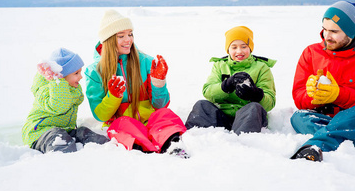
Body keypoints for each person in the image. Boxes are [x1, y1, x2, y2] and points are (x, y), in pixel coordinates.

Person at [290, 1, 355, 162]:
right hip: (325, 118)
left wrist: (339, 95)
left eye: (334, 31)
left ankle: (315, 146)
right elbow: (299, 99)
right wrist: (312, 95)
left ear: (350, 32)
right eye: (325, 29)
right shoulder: (311, 53)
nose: (326, 36)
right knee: (298, 117)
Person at [85, 9, 187, 156]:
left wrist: (158, 82)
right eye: (121, 36)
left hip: (151, 121)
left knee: (164, 114)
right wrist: (113, 97)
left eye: (130, 34)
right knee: (123, 123)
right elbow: (100, 115)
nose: (128, 40)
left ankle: (172, 145)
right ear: (108, 40)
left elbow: (160, 105)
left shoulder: (147, 62)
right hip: (125, 125)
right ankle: (145, 150)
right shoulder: (95, 71)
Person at [185, 26, 276, 134]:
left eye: (244, 46)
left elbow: (270, 103)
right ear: (228, 49)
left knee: (254, 107)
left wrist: (255, 94)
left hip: (248, 119)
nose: (239, 51)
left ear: (250, 48)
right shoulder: (219, 65)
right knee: (202, 105)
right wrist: (225, 86)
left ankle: (242, 143)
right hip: (222, 117)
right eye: (234, 47)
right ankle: (193, 139)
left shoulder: (262, 68)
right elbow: (208, 92)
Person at [22, 48, 109, 153]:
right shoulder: (46, 89)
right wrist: (57, 81)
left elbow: (78, 98)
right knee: (59, 138)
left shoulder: (71, 87)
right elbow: (60, 106)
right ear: (62, 76)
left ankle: (108, 147)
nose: (81, 77)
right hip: (40, 132)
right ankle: (63, 160)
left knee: (82, 132)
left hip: (65, 130)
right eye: (76, 73)